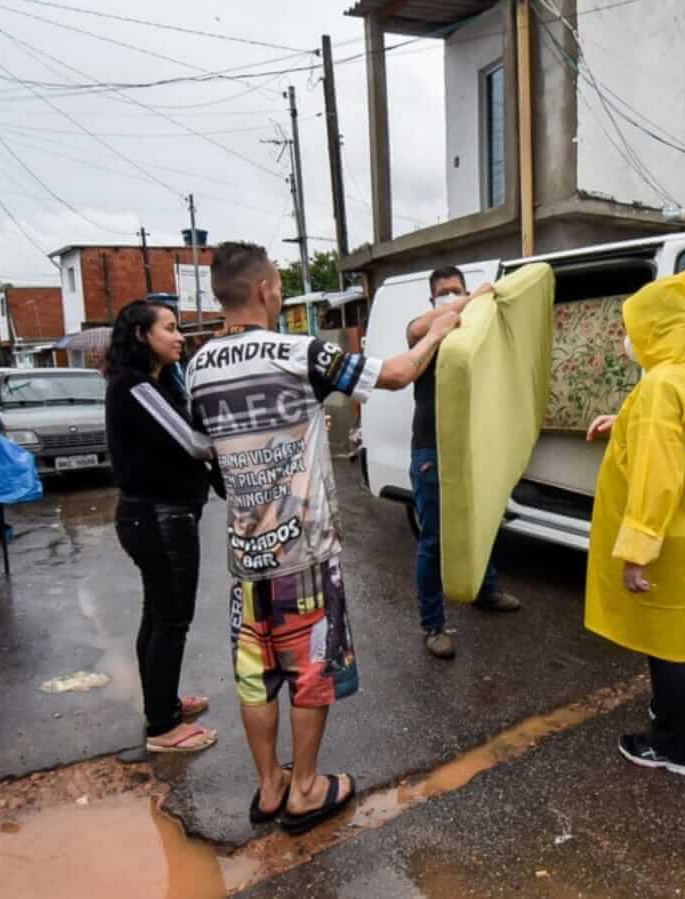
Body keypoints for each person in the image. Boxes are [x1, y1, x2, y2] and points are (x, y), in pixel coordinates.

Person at [187, 242, 459, 835]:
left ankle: (270, 786)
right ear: (263, 289)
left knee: (257, 673)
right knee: (310, 670)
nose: (280, 292)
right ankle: (306, 788)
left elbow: (206, 450)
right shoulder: (297, 352)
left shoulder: (198, 366)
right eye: (277, 283)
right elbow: (396, 373)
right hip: (302, 553)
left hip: (246, 555)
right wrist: (440, 329)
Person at [583, 269, 685, 777]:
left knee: (670, 644)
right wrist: (623, 423)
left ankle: (675, 747)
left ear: (656, 329)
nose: (628, 339)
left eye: (633, 328)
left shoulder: (659, 388)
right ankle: (668, 713)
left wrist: (637, 552)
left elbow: (656, 477)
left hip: (665, 536)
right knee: (678, 634)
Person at [105, 299, 224, 754]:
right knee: (172, 620)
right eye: (169, 328)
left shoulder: (155, 383)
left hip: (156, 515)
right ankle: (163, 727)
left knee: (158, 615)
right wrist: (239, 440)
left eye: (179, 329)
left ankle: (162, 703)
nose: (180, 337)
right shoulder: (134, 385)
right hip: (158, 517)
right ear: (141, 335)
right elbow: (192, 443)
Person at [403, 266, 522, 659]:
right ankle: (433, 626)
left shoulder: (476, 330)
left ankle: (485, 591)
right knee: (434, 540)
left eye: (456, 290)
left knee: (483, 522)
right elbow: (418, 328)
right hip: (431, 450)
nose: (451, 296)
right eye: (443, 292)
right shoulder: (424, 331)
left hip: (473, 446)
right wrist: (472, 299)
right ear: (432, 299)